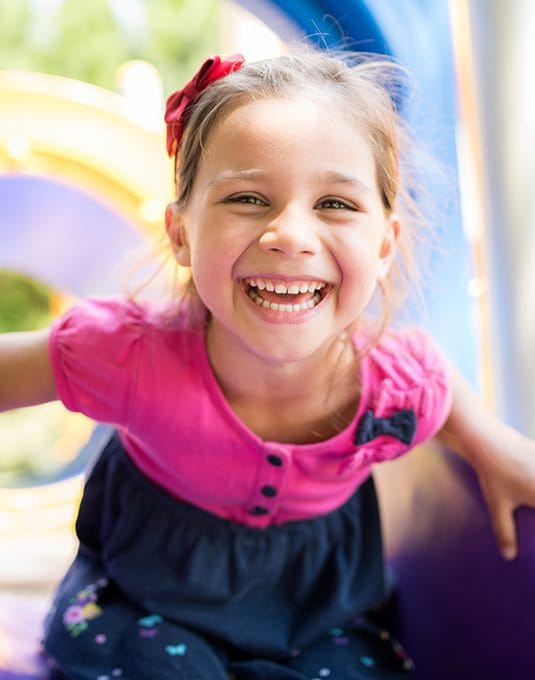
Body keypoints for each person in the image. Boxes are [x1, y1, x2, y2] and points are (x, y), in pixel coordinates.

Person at [1, 47, 534, 680]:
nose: (291, 234)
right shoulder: (129, 354)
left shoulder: (393, 386)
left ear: (386, 244)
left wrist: (490, 441)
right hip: (142, 598)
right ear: (180, 234)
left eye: (336, 204)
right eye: (248, 198)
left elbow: (438, 384)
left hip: (321, 617)